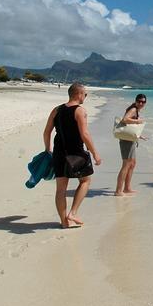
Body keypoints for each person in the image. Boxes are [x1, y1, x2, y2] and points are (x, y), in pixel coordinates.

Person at [43, 82, 102, 228]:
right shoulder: (80, 111)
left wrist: (47, 149)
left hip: (58, 153)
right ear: (78, 94)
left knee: (60, 189)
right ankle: (73, 213)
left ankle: (64, 222)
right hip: (75, 153)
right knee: (85, 181)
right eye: (85, 94)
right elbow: (85, 134)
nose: (85, 97)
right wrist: (95, 153)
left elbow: (47, 132)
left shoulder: (56, 110)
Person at [114, 93, 147, 196]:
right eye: (139, 101)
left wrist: (139, 136)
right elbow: (125, 119)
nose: (141, 103)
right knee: (126, 164)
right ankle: (118, 191)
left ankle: (127, 188)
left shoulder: (136, 110)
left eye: (143, 102)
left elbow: (130, 128)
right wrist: (138, 121)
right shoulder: (133, 110)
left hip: (130, 140)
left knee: (132, 164)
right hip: (126, 141)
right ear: (136, 101)